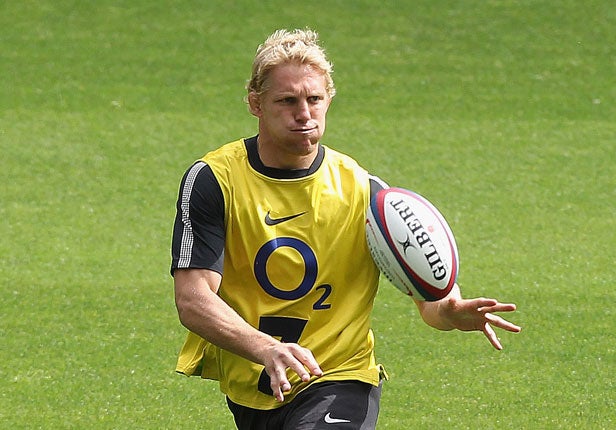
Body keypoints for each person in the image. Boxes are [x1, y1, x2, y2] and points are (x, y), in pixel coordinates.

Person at [170, 28, 521, 429]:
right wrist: (266, 349)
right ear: (255, 103)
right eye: (287, 101)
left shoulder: (367, 194)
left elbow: (431, 303)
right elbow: (194, 299)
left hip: (341, 377)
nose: (304, 113)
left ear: (328, 100)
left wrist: (451, 310)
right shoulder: (216, 179)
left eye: (314, 99)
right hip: (255, 383)